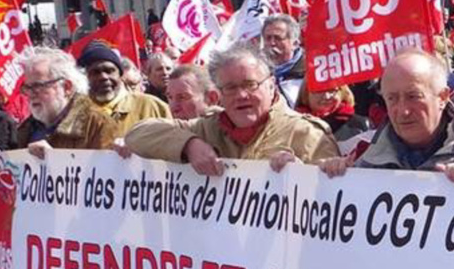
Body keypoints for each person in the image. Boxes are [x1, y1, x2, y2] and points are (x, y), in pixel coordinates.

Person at [125, 44, 339, 176]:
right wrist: (189, 145)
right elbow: (137, 134)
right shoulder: (206, 128)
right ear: (218, 94)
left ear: (271, 85)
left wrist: (303, 175)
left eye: (250, 85)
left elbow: (334, 203)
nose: (241, 95)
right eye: (230, 88)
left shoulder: (307, 133)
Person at [319, 49, 454, 180]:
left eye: (413, 96)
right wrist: (335, 177)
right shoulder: (364, 158)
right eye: (392, 98)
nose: (403, 111)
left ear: (442, 97)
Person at [17, 47, 117, 153]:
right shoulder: (26, 129)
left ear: (66, 87)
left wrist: (55, 159)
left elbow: (104, 168)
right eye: (27, 87)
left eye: (38, 86)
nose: (31, 94)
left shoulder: (97, 124)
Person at [77, 42, 171, 136]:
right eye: (95, 72)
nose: (104, 77)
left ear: (121, 75)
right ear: (83, 77)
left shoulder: (153, 107)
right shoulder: (72, 115)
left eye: (109, 71)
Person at [295, 83, 368, 142]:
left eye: (332, 90)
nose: (326, 96)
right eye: (319, 90)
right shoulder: (293, 126)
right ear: (305, 95)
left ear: (342, 93)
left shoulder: (359, 125)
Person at [262, 14, 305, 108]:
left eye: (278, 38)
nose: (272, 43)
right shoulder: (257, 72)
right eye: (268, 38)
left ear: (295, 44)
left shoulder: (310, 70)